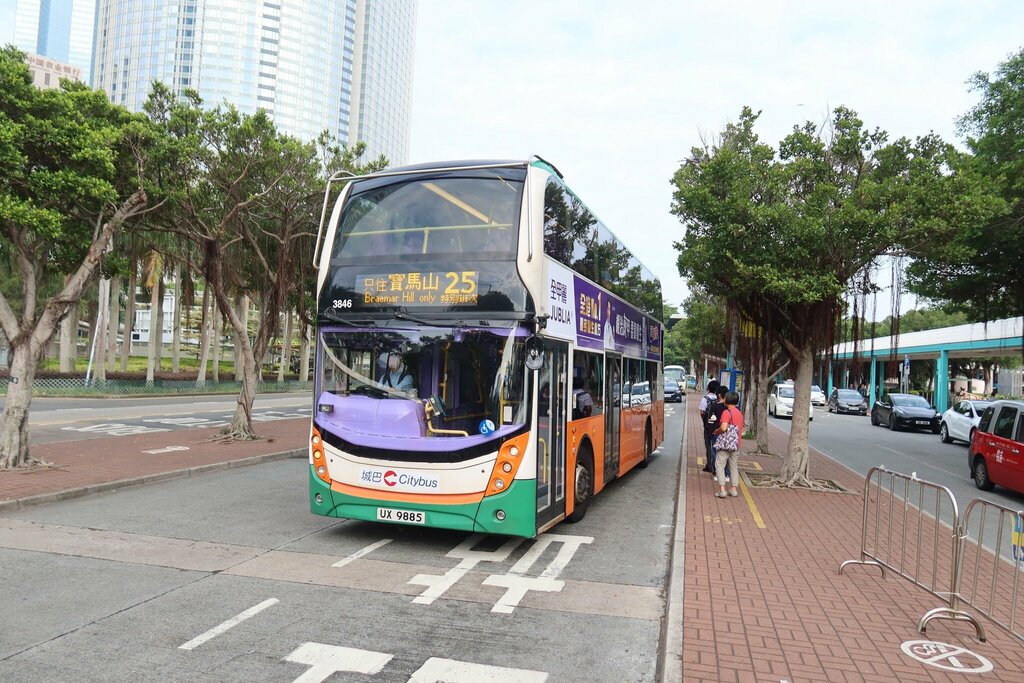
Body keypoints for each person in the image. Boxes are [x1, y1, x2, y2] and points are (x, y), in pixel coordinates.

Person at [713, 391, 744, 499]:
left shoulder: (727, 412)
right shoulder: (739, 413)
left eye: (725, 398)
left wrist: (717, 431)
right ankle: (733, 489)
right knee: (733, 466)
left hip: (726, 444)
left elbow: (724, 428)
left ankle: (722, 490)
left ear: (728, 400)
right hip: (736, 444)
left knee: (719, 465)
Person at [706, 385, 731, 481]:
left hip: (716, 433)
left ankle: (716, 473)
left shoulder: (714, 406)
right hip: (727, 433)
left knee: (716, 453)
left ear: (719, 395)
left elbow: (710, 420)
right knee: (726, 453)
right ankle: (727, 474)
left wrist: (710, 432)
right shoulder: (729, 407)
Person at [699, 380, 720, 473]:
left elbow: (702, 413)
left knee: (708, 445)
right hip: (718, 426)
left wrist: (706, 422)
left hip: (708, 426)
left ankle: (709, 465)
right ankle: (717, 465)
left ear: (708, 388)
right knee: (716, 446)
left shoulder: (705, 398)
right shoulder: (720, 399)